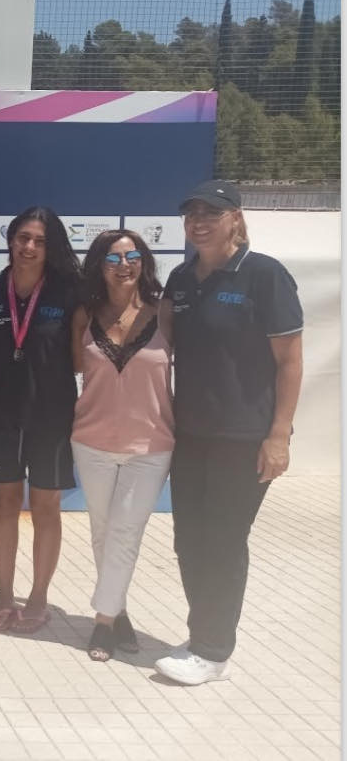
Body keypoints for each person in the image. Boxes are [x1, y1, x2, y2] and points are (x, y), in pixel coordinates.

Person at [155, 180, 302, 685]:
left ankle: (213, 651)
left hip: (244, 437)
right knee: (188, 540)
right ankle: (202, 635)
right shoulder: (181, 278)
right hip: (190, 434)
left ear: (235, 218)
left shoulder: (265, 275)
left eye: (211, 213)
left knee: (223, 540)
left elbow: (290, 362)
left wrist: (279, 435)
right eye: (191, 213)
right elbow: (158, 344)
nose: (198, 222)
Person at [0, 206, 80, 635]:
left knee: (46, 507)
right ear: (10, 240)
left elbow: (82, 357)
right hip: (1, 413)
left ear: (51, 248)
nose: (29, 247)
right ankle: (4, 595)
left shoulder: (68, 292)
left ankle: (38, 598)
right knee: (6, 504)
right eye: (23, 238)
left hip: (52, 415)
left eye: (40, 241)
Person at [69, 229, 172, 662]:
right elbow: (76, 371)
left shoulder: (166, 312)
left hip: (151, 445)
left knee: (125, 531)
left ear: (144, 263)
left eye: (132, 257)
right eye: (113, 258)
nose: (124, 265)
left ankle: (103, 621)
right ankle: (121, 611)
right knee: (103, 531)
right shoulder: (84, 315)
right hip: (91, 441)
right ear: (99, 266)